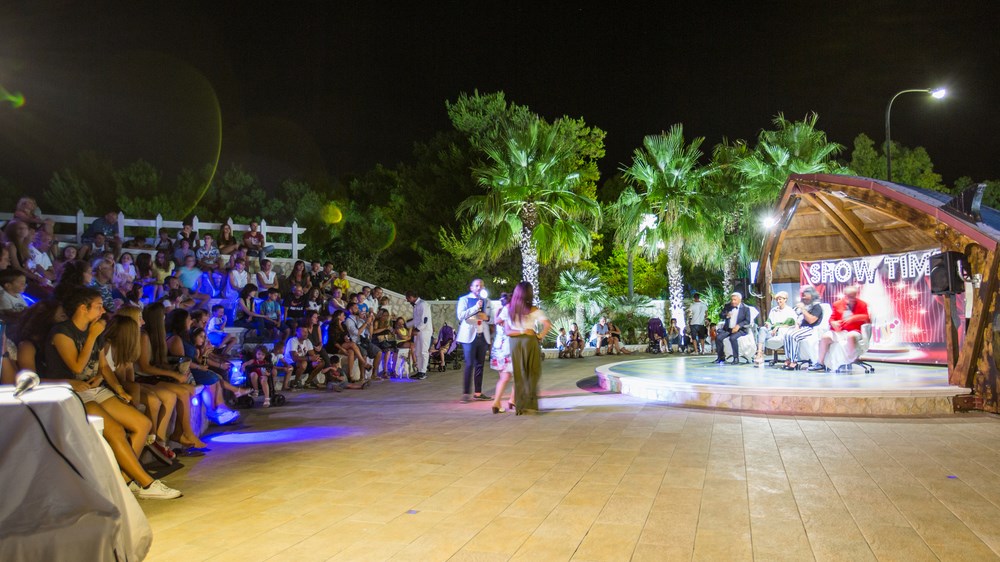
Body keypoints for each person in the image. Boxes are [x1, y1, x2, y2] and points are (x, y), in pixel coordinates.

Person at [47, 286, 181, 499]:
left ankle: (125, 480)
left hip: (95, 389)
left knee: (142, 424)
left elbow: (103, 366)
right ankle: (145, 483)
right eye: (98, 307)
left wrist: (118, 389)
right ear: (83, 308)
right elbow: (77, 368)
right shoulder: (63, 332)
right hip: (71, 392)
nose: (102, 311)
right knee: (116, 430)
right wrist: (91, 336)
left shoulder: (96, 330)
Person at [499, 281, 551, 415]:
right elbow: (547, 324)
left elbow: (500, 323)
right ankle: (531, 404)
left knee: (519, 373)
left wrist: (517, 330)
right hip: (530, 341)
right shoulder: (532, 309)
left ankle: (520, 406)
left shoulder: (509, 308)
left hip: (514, 343)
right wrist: (539, 336)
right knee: (532, 372)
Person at [809, 286, 870, 372]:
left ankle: (850, 360)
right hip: (840, 330)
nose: (851, 298)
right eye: (849, 296)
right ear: (845, 295)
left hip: (855, 330)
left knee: (850, 336)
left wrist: (854, 318)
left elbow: (867, 318)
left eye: (853, 296)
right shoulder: (837, 304)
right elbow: (831, 319)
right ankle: (820, 363)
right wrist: (833, 323)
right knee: (825, 337)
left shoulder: (862, 304)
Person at [456, 278, 492, 402]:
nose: (479, 288)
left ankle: (478, 392)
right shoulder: (464, 299)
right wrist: (475, 308)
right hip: (469, 337)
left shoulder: (487, 301)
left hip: (482, 336)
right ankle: (466, 393)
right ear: (471, 288)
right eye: (476, 285)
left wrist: (486, 317)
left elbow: (491, 318)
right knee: (469, 364)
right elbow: (460, 316)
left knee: (480, 365)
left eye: (481, 285)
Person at [783, 286, 824, 370]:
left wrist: (803, 309)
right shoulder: (807, 307)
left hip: (811, 329)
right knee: (786, 334)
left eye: (805, 295)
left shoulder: (817, 307)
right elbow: (799, 319)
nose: (803, 297)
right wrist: (797, 326)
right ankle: (788, 358)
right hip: (802, 328)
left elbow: (811, 320)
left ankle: (794, 361)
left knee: (793, 336)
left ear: (811, 295)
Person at [489, 292, 516, 413]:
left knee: (503, 377)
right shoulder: (510, 310)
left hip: (498, 347)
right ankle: (510, 400)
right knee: (519, 376)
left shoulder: (500, 311)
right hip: (508, 348)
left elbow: (496, 321)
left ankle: (500, 401)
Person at [754, 291, 797, 364]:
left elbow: (791, 323)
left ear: (785, 299)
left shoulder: (789, 310)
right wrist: (767, 323)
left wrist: (778, 327)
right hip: (771, 332)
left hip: (782, 332)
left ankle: (789, 359)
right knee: (762, 329)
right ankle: (760, 353)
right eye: (777, 299)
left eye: (780, 299)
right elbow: (769, 321)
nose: (778, 301)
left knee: (778, 331)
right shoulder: (773, 310)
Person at [714, 292, 752, 364]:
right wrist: (726, 315)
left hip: (740, 330)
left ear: (739, 300)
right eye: (732, 300)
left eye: (735, 300)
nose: (733, 301)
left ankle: (736, 358)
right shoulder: (728, 306)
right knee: (718, 338)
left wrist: (739, 326)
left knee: (733, 338)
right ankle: (721, 357)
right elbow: (721, 315)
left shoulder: (745, 308)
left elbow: (747, 321)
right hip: (729, 329)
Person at [405, 289, 432, 380]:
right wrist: (406, 325)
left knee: (424, 351)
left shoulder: (423, 304)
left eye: (407, 298)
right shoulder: (416, 305)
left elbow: (425, 319)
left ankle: (423, 372)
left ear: (411, 297)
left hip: (425, 331)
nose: (407, 300)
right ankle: (420, 370)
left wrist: (417, 329)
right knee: (417, 351)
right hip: (419, 332)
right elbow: (416, 319)